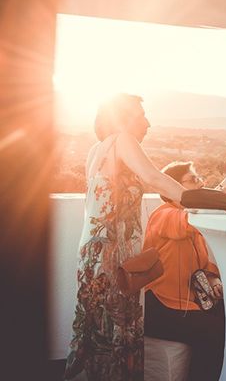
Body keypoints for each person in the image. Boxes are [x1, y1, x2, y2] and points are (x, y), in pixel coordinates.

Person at [65, 94, 186, 380]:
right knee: (116, 327)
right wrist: (200, 201)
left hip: (93, 254)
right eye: (141, 116)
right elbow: (154, 177)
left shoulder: (97, 150)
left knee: (96, 330)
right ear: (122, 119)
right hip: (112, 256)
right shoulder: (122, 140)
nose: (148, 123)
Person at [143, 158, 226, 381]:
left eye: (200, 178)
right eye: (194, 180)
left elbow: (203, 266)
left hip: (190, 304)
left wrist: (214, 281)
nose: (200, 184)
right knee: (217, 330)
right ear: (173, 187)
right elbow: (200, 212)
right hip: (162, 309)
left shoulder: (189, 216)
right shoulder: (165, 215)